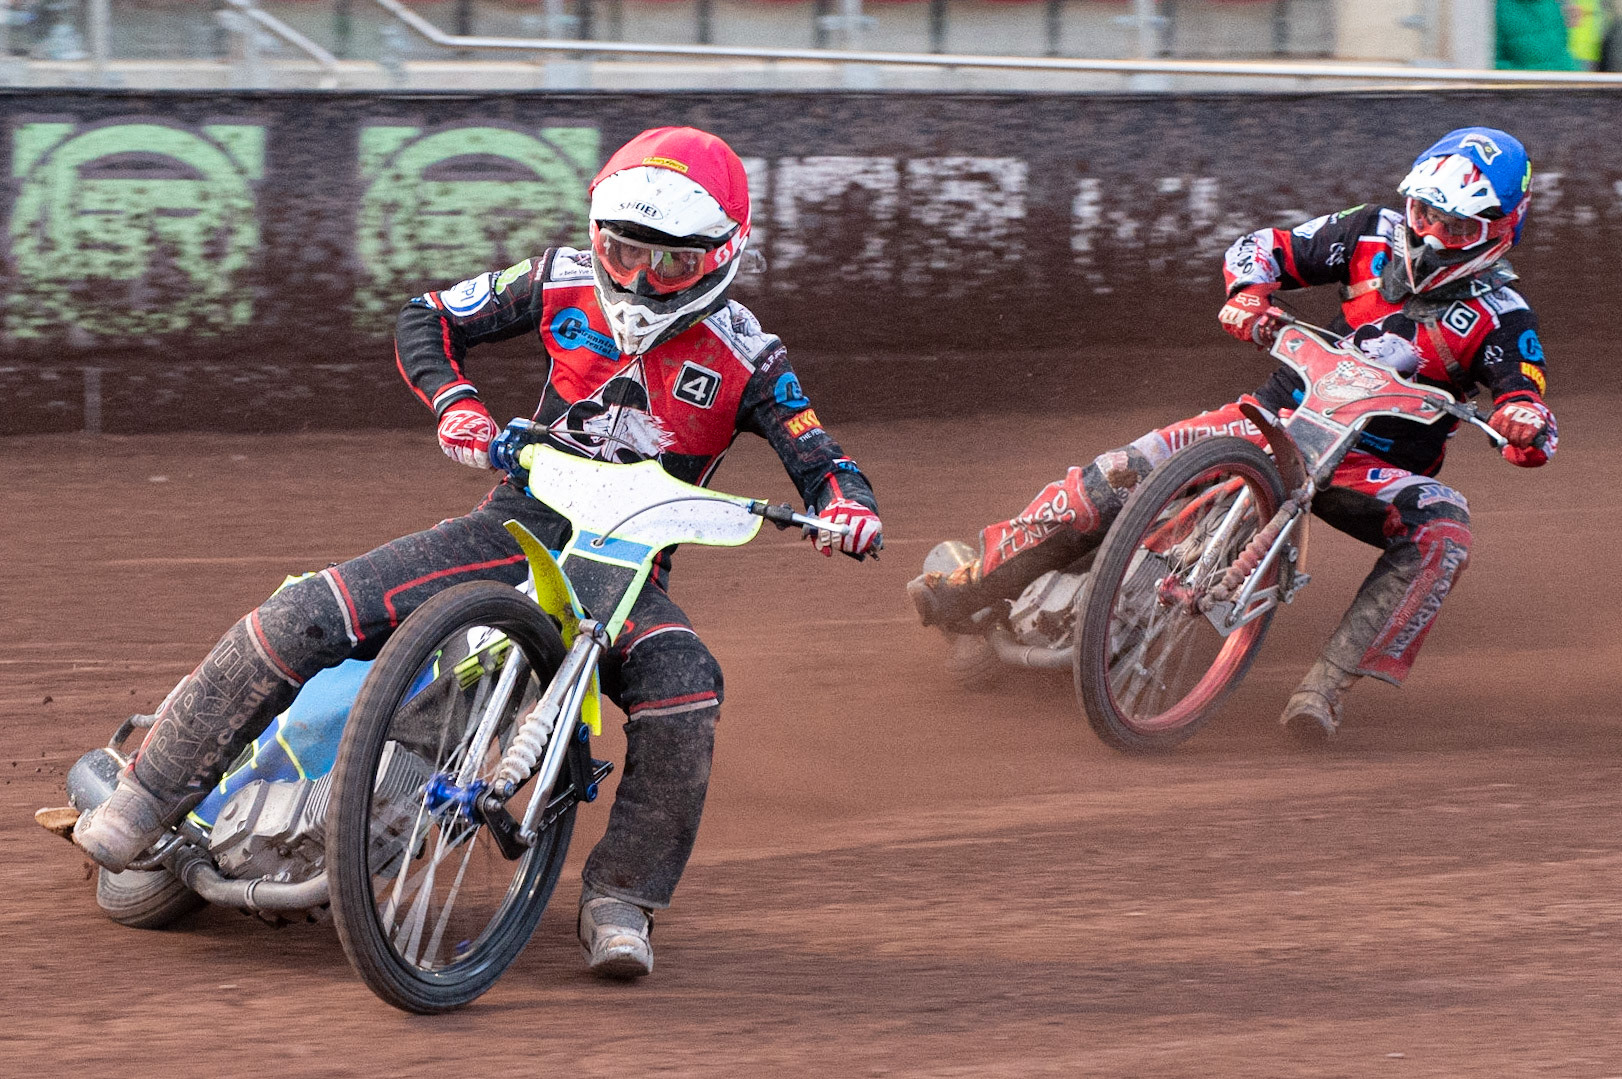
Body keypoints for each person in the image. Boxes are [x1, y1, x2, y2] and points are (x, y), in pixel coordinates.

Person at [72, 126, 884, 978]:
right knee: (315, 609)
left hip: (628, 567)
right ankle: (148, 794)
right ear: (595, 233)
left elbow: (823, 458)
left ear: (724, 255)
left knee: (688, 683)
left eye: (669, 266)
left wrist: (843, 509)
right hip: (518, 519)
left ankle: (622, 900)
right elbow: (427, 315)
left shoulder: (752, 356)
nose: (639, 281)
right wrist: (456, 402)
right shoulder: (559, 276)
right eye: (622, 250)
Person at [908, 127, 1555, 743]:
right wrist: (1249, 291)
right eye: (1423, 214)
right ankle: (966, 589)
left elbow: (1529, 404)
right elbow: (1264, 247)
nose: (1433, 237)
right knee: (1124, 469)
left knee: (1446, 526)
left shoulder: (1503, 318)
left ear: (1499, 232)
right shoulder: (1369, 233)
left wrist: (1522, 422)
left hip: (1367, 469)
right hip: (1271, 421)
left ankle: (1326, 687)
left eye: (1456, 227)